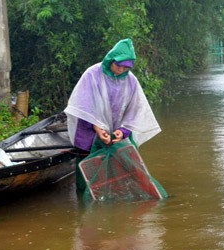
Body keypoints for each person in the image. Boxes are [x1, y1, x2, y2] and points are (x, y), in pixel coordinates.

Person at [64, 38, 161, 190]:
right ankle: (86, 194)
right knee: (89, 165)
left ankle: (116, 192)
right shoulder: (92, 74)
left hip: (116, 131)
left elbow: (136, 110)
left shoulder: (131, 81)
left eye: (125, 68)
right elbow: (82, 105)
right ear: (111, 60)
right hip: (90, 130)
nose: (121, 70)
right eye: (118, 65)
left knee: (121, 168)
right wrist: (98, 128)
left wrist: (122, 132)